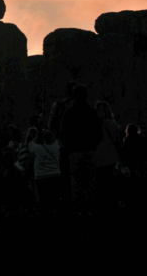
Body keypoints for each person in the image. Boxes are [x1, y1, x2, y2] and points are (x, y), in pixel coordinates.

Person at [59, 84, 102, 215]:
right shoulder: (92, 112)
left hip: (75, 151)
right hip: (90, 150)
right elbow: (99, 133)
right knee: (89, 182)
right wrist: (93, 143)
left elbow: (63, 133)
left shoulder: (69, 113)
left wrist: (70, 146)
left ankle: (79, 210)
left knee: (76, 183)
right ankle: (89, 209)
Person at [32, 129, 61, 211]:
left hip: (41, 176)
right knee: (54, 198)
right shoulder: (56, 146)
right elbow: (57, 139)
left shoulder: (37, 148)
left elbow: (30, 145)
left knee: (44, 199)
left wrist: (36, 137)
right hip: (55, 174)